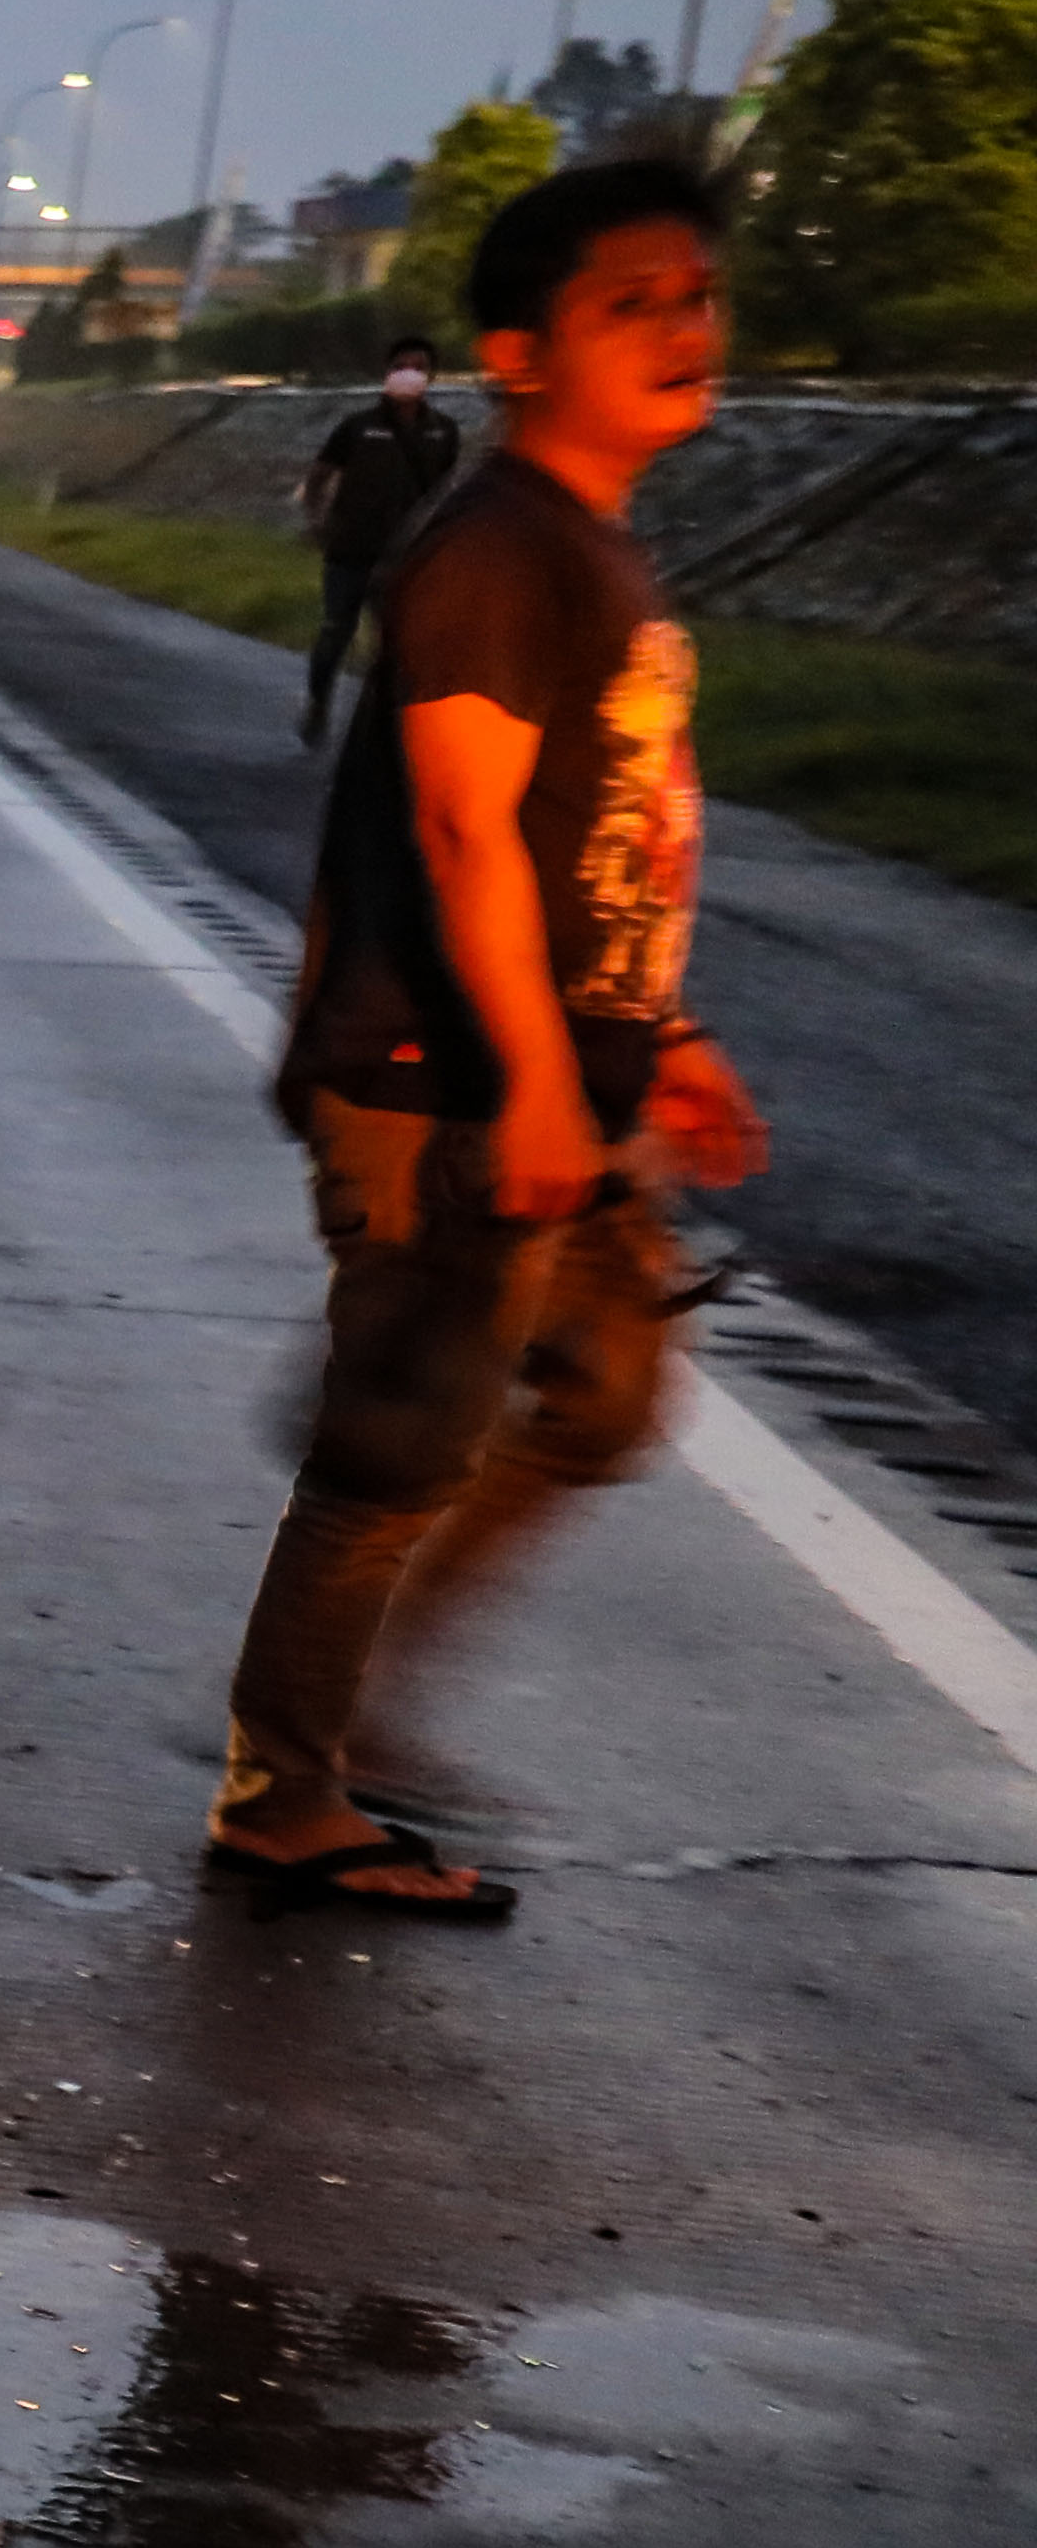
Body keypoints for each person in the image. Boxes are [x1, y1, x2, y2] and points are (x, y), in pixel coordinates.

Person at [208, 165, 766, 1922]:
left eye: (696, 296)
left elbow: (586, 837)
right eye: (634, 304)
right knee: (396, 1458)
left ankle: (343, 1687)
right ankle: (285, 1793)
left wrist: (655, 1036)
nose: (686, 328)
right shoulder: (495, 550)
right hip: (439, 1080)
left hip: (558, 1075)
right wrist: (531, 1079)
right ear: (519, 354)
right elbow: (463, 834)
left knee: (601, 1396)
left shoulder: (590, 544)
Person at [291, 335, 469, 744]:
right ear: (387, 373)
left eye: (419, 366)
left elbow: (446, 490)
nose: (410, 373)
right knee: (336, 631)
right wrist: (318, 521)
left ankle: (379, 731)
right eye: (402, 365)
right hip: (350, 551)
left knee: (393, 644)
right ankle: (319, 699)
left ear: (431, 376)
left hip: (407, 558)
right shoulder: (356, 427)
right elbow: (318, 477)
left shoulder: (443, 431)